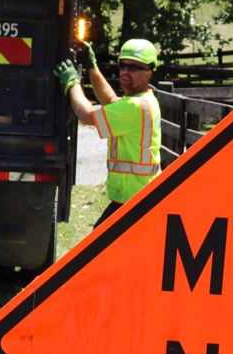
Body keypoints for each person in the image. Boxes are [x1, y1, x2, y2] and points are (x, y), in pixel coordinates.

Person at [54, 38, 163, 226]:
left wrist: (72, 82)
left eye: (135, 67)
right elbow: (110, 99)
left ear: (148, 73)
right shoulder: (139, 100)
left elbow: (87, 115)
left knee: (98, 250)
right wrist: (92, 66)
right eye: (123, 65)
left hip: (136, 203)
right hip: (137, 200)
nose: (126, 71)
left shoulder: (136, 107)